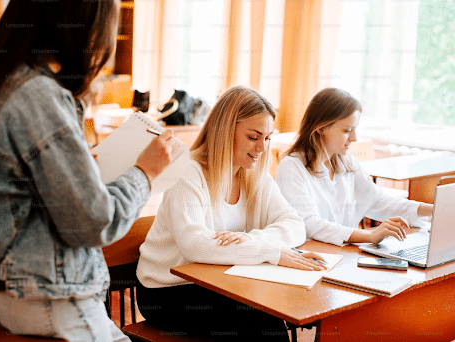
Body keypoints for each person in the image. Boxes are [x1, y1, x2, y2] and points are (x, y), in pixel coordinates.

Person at [0, 1, 176, 341]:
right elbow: (95, 222)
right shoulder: (38, 94)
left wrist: (77, 164)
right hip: (49, 298)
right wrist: (145, 171)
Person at [136, 85, 326, 341]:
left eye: (267, 138)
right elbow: (195, 246)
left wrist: (252, 240)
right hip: (167, 289)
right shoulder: (189, 171)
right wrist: (272, 252)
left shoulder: (254, 173)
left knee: (266, 313)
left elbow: (294, 225)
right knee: (257, 318)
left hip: (221, 279)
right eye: (253, 136)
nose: (261, 148)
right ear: (225, 132)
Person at [275, 88, 433, 246]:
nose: (354, 138)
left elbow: (378, 201)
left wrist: (432, 209)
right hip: (315, 255)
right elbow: (309, 224)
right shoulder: (291, 167)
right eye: (347, 130)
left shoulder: (346, 161)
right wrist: (369, 236)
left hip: (345, 254)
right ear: (321, 128)